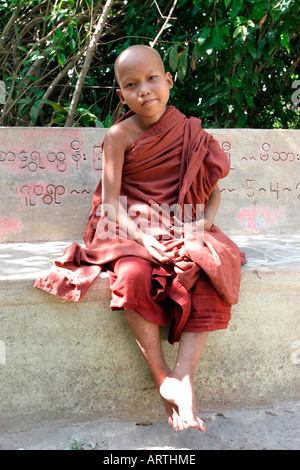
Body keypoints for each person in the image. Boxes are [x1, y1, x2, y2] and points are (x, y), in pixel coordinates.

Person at [34, 44, 245, 433]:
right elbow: (111, 204)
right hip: (129, 224)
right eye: (131, 84)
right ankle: (162, 376)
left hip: (181, 221)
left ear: (168, 81)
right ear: (121, 95)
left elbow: (212, 189)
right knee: (131, 275)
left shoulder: (191, 132)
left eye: (151, 79)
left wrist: (204, 222)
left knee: (207, 263)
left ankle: (184, 378)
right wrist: (144, 243)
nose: (144, 89)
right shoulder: (118, 135)